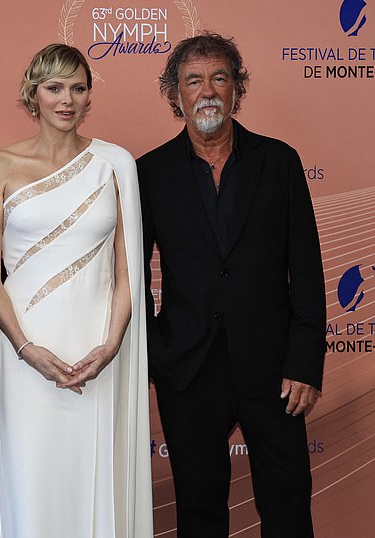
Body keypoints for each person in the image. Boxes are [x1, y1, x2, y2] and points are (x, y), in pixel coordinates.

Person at [137, 33, 326, 537]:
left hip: (275, 369)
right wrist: (157, 349)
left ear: (237, 89)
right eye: (193, 81)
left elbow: (306, 269)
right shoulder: (149, 173)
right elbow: (129, 272)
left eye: (219, 78)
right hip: (189, 370)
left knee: (287, 504)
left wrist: (305, 362)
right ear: (174, 95)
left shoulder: (280, 162)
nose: (207, 92)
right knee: (199, 510)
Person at [0, 44, 153, 537]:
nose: (67, 100)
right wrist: (27, 349)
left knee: (97, 476)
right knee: (36, 481)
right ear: (34, 94)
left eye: (78, 88)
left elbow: (128, 271)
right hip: (25, 347)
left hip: (99, 348)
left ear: (89, 95)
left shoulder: (116, 164)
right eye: (55, 88)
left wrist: (112, 344)